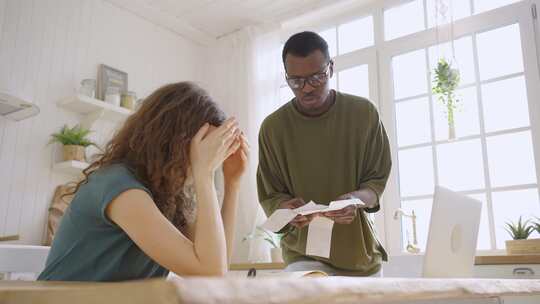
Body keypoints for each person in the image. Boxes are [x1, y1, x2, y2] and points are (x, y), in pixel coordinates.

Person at [38, 82, 248, 281]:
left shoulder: (169, 199)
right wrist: (205, 174)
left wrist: (232, 184)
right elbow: (209, 273)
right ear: (171, 142)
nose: (206, 157)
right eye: (202, 147)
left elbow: (217, 263)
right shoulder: (118, 185)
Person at [257, 31, 391, 276]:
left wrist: (355, 199)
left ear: (330, 68)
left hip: (360, 255)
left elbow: (375, 185)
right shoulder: (272, 128)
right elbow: (271, 194)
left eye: (316, 78)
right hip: (303, 255)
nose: (306, 88)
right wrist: (286, 209)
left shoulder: (364, 114)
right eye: (296, 81)